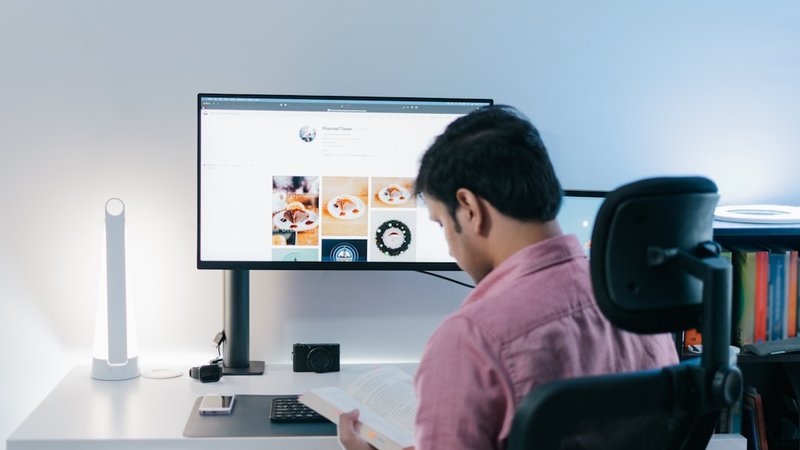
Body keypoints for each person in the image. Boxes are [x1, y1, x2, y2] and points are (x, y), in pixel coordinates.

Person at [338, 105, 679, 450]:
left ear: (469, 208)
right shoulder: (639, 309)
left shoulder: (471, 340)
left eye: (442, 224)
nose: (451, 250)